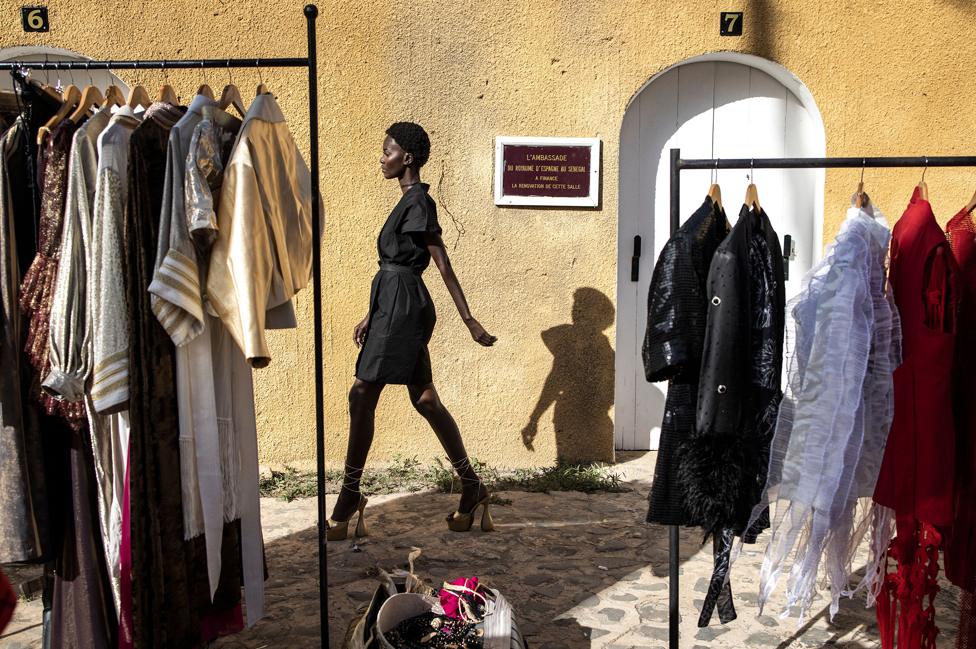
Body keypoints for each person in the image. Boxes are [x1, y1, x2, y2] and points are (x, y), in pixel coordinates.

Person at [327, 122, 498, 540]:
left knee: (362, 391)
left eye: (387, 152)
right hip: (395, 303)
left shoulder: (419, 201)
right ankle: (472, 485)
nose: (381, 158)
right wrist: (372, 313)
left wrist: (469, 318)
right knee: (425, 400)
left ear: (407, 158)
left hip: (404, 308)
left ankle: (349, 495)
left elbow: (441, 263)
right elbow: (393, 268)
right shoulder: (407, 201)